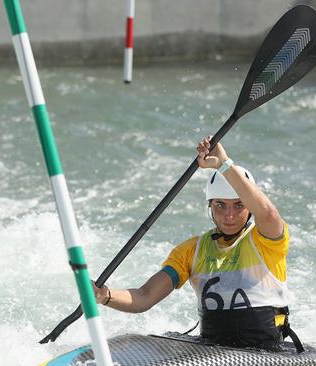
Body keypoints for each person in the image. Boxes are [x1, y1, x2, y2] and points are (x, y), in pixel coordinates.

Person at [92, 136, 303, 352]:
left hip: (267, 350)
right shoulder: (191, 251)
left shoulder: (266, 240)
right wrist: (105, 296)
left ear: (249, 207)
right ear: (210, 206)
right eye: (220, 205)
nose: (229, 215)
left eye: (238, 205)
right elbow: (145, 297)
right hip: (211, 351)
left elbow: (267, 213)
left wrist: (224, 164)